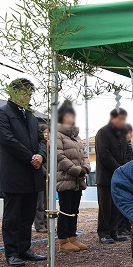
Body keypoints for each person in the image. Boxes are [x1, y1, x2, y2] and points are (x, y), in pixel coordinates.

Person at [0, 78, 47, 267]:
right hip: (14, 173)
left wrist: (40, 155)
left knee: (28, 214)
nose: (27, 95)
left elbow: (41, 139)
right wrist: (30, 157)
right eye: (23, 92)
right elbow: (7, 140)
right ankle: (12, 252)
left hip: (33, 174)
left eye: (29, 92)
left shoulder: (30, 115)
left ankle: (25, 248)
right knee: (12, 215)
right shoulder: (2, 113)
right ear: (13, 92)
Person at [55, 100, 91, 252]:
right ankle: (63, 241)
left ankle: (72, 237)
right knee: (65, 210)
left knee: (75, 209)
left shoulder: (77, 137)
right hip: (65, 178)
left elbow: (84, 155)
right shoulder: (56, 135)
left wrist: (85, 169)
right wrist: (78, 171)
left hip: (78, 180)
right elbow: (60, 157)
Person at [95, 108, 133, 243]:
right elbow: (104, 155)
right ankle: (103, 233)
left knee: (116, 205)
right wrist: (119, 169)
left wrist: (125, 169)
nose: (122, 122)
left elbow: (126, 154)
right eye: (120, 119)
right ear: (112, 118)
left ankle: (113, 231)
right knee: (105, 206)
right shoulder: (103, 133)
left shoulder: (122, 134)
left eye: (124, 119)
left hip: (119, 177)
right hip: (105, 177)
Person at [34, 124, 49, 233]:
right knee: (39, 202)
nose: (46, 135)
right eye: (44, 133)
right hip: (40, 176)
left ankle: (46, 222)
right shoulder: (38, 147)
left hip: (48, 178)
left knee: (47, 202)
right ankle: (39, 224)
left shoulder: (50, 146)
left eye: (48, 133)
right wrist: (46, 172)